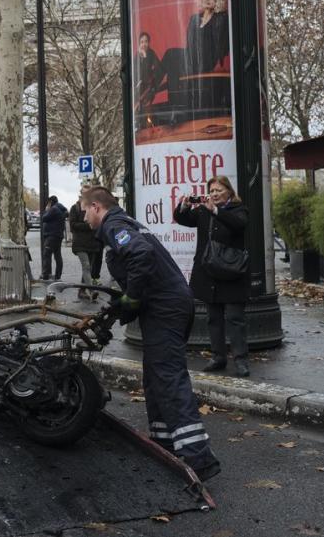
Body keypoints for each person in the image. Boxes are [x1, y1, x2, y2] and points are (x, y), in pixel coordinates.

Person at [82, 186, 221, 481]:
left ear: (96, 207)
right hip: (169, 305)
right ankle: (164, 442)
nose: (84, 219)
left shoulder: (114, 225)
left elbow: (141, 256)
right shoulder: (128, 223)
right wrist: (125, 302)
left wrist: (131, 297)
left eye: (84, 211)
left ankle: (199, 457)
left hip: (165, 309)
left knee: (168, 376)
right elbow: (142, 267)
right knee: (155, 375)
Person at [175, 176, 251, 377]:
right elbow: (184, 220)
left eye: (219, 190)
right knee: (213, 318)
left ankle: (241, 360)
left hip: (231, 271)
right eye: (212, 191)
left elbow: (239, 225)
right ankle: (218, 357)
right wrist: (182, 207)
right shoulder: (203, 211)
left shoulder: (239, 209)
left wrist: (216, 211)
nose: (215, 194)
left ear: (229, 191)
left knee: (235, 318)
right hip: (209, 272)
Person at [69, 192, 104, 301]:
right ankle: (92, 290)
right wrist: (88, 226)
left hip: (92, 243)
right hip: (80, 243)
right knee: (87, 266)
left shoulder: (94, 207)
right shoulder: (75, 208)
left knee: (88, 269)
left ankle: (82, 290)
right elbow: (72, 225)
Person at [135, 32, 166, 113]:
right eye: (142, 42)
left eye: (146, 41)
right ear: (139, 44)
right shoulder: (136, 57)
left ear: (148, 43)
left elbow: (159, 70)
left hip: (150, 88)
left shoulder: (151, 53)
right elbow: (139, 76)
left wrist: (145, 57)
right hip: (139, 90)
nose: (144, 44)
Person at [39, 196, 67, 281]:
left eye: (48, 202)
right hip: (58, 236)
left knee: (47, 255)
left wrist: (47, 210)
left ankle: (45, 275)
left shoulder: (53, 209)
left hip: (51, 236)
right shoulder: (61, 209)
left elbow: (44, 218)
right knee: (57, 256)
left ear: (50, 202)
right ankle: (58, 276)